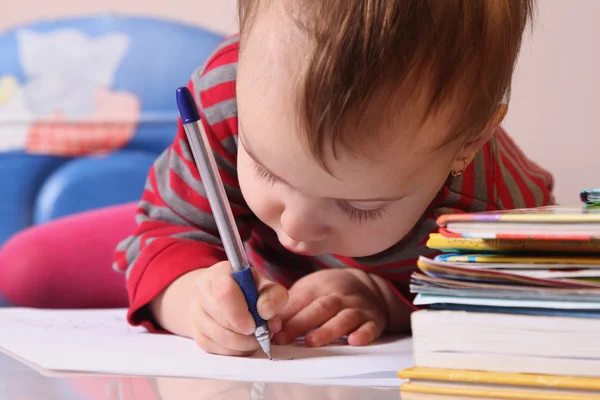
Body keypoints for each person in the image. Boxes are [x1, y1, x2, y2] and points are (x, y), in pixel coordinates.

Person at [0, 0, 554, 357]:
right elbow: (170, 229)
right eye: (266, 166)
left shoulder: (498, 208)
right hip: (225, 231)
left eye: (360, 206)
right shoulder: (222, 98)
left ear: (465, 146)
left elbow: (509, 312)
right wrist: (193, 298)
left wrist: (389, 302)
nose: (298, 226)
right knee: (24, 270)